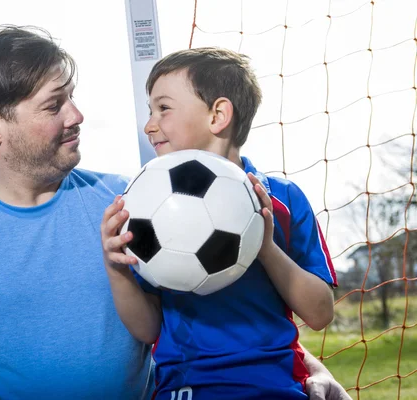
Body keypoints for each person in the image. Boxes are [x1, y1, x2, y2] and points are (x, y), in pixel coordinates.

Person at [0, 26, 349, 400]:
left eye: (72, 97)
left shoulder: (142, 203)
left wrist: (308, 367)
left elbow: (225, 303)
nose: (77, 115)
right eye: (54, 105)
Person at [101, 47, 347, 400]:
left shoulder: (282, 198)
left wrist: (265, 247)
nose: (149, 125)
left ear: (218, 115)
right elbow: (147, 328)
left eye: (163, 108)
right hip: (185, 388)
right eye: (150, 111)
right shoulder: (145, 206)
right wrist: (117, 270)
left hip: (276, 386)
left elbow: (320, 314)